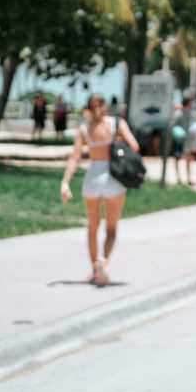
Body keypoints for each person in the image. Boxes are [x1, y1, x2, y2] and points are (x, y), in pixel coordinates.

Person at [58, 94, 140, 286]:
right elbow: (134, 146)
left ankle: (94, 269)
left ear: (88, 108)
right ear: (104, 107)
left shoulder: (84, 129)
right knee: (111, 229)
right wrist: (118, 144)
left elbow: (74, 157)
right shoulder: (116, 123)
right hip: (114, 178)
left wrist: (65, 182)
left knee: (92, 227)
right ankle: (103, 261)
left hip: (92, 179)